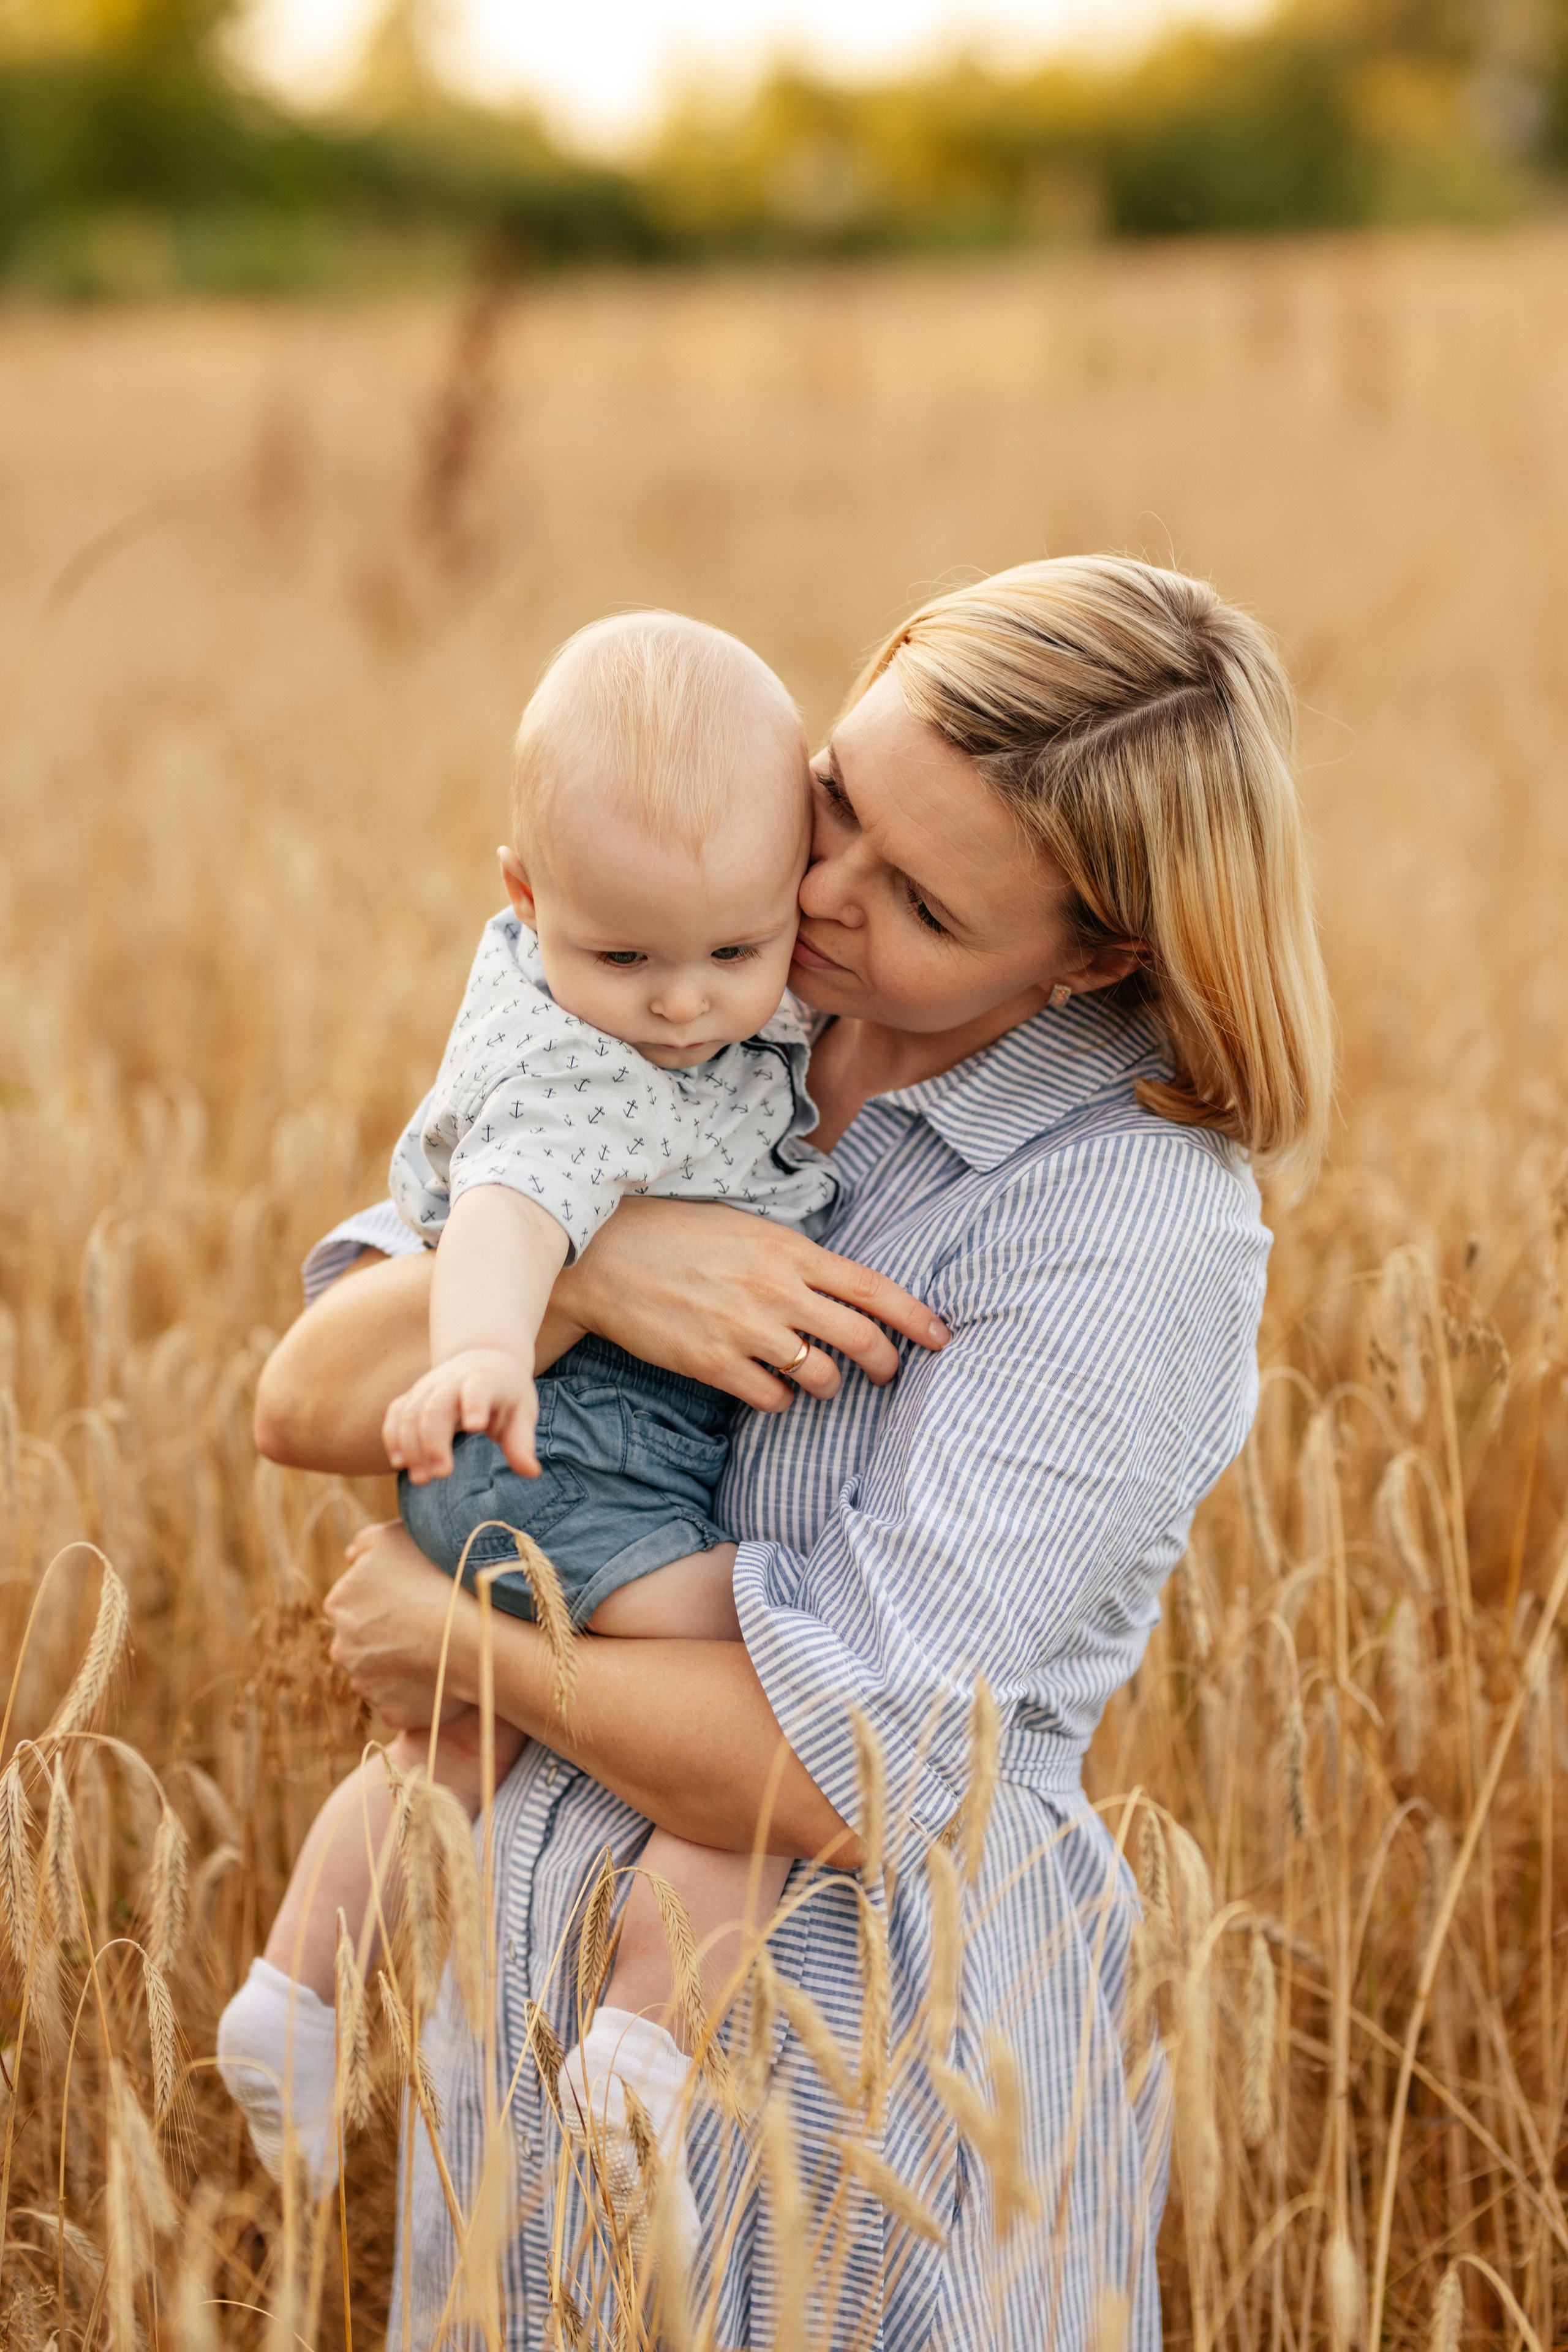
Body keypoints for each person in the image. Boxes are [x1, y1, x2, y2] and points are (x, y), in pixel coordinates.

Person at [255, 556, 1333, 2347]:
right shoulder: (707, 966)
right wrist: (594, 1269)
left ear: (1096, 955)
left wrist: (462, 1649)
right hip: (532, 2054)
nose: (819, 892)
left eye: (914, 897)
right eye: (838, 796)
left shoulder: (1127, 1224)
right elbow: (304, 1400)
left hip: (860, 2098)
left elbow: (850, 1774)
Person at [218, 611, 846, 2231]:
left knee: (451, 1734)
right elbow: (510, 1205)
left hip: (522, 1462)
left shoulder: (653, 975)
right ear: (523, 899)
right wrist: (488, 1353)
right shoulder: (571, 1066)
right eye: (626, 960)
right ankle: (641, 2041)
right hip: (556, 1450)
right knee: (784, 1682)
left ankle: (293, 1994)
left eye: (733, 952)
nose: (684, 1007)